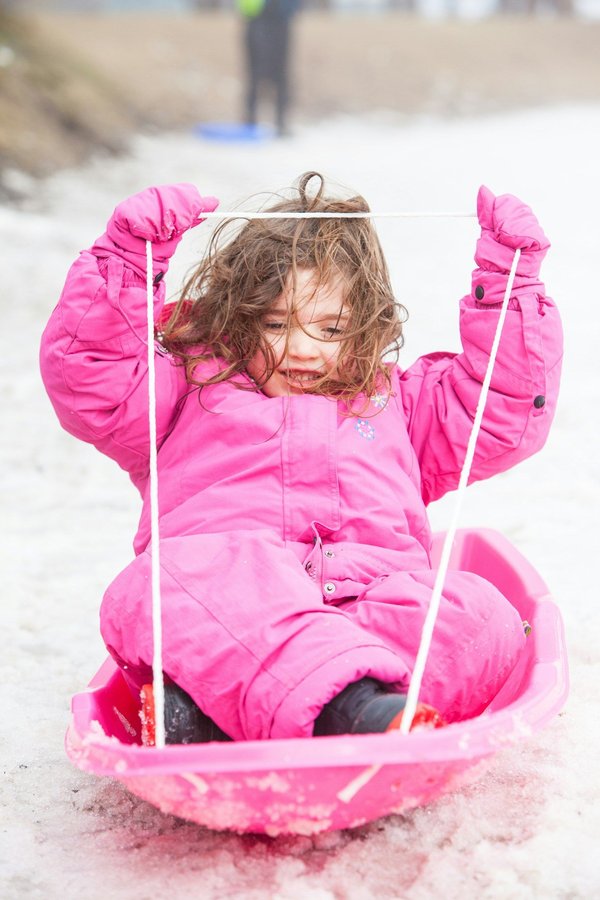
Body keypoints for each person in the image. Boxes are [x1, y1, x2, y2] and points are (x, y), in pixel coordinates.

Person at [40, 172, 562, 745]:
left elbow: (502, 408)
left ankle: (226, 719)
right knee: (164, 583)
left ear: (366, 326)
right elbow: (92, 379)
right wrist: (127, 262)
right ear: (236, 316)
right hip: (233, 610)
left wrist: (510, 285)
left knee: (482, 611)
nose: (302, 349)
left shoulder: (400, 404)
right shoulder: (187, 388)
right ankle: (354, 712)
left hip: (371, 605)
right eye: (273, 323)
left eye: (332, 328)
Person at [240, 0, 299, 136]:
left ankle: (280, 122)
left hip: (280, 22)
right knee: (255, 74)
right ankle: (250, 121)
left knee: (281, 75)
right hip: (256, 21)